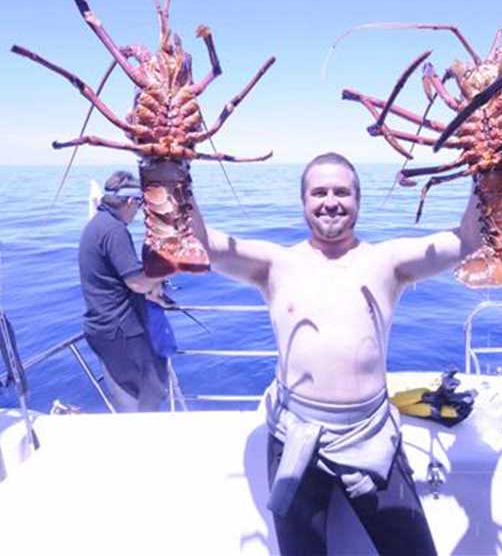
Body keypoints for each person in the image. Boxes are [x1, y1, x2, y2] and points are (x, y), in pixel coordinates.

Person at [188, 152, 480, 556]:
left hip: (371, 434)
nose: (330, 201)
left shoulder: (387, 262)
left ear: (358, 199)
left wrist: (489, 171)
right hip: (295, 436)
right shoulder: (276, 264)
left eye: (341, 192)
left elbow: (469, 241)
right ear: (303, 201)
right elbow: (201, 245)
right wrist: (168, 168)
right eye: (319, 192)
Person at [78, 170, 169, 412]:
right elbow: (137, 283)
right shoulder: (114, 231)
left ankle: (135, 438)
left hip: (103, 328)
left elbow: (119, 278)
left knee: (126, 393)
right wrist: (167, 272)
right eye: (139, 204)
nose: (138, 211)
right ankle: (145, 441)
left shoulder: (96, 225)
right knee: (149, 390)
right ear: (130, 201)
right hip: (122, 331)